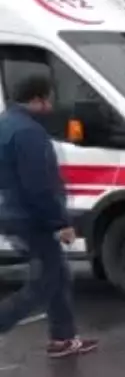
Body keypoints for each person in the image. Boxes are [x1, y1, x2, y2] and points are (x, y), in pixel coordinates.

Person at [0, 74, 98, 357]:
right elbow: (39, 184)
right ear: (38, 99)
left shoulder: (6, 124)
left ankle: (63, 339)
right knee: (45, 281)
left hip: (12, 212)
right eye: (48, 99)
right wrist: (60, 223)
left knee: (58, 274)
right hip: (31, 218)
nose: (51, 106)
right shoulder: (30, 132)